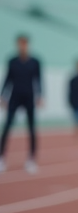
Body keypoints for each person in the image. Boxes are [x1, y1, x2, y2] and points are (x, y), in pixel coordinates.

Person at [1, 33, 43, 174]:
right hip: (15, 97)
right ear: (17, 44)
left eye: (25, 43)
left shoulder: (35, 62)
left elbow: (39, 80)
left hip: (29, 97)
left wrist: (40, 96)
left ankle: (31, 159)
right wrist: (2, 96)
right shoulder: (12, 61)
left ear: (28, 45)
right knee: (7, 127)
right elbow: (7, 79)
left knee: (31, 129)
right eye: (20, 43)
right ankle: (2, 158)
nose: (22, 46)